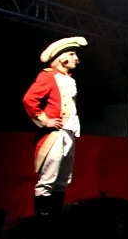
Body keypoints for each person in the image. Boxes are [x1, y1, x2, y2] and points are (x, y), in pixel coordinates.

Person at [22, 36, 88, 216]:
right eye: (72, 54)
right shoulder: (48, 76)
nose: (76, 59)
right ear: (62, 57)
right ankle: (43, 221)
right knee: (48, 179)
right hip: (55, 134)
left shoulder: (69, 79)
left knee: (63, 179)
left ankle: (56, 218)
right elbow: (29, 99)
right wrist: (45, 121)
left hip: (69, 132)